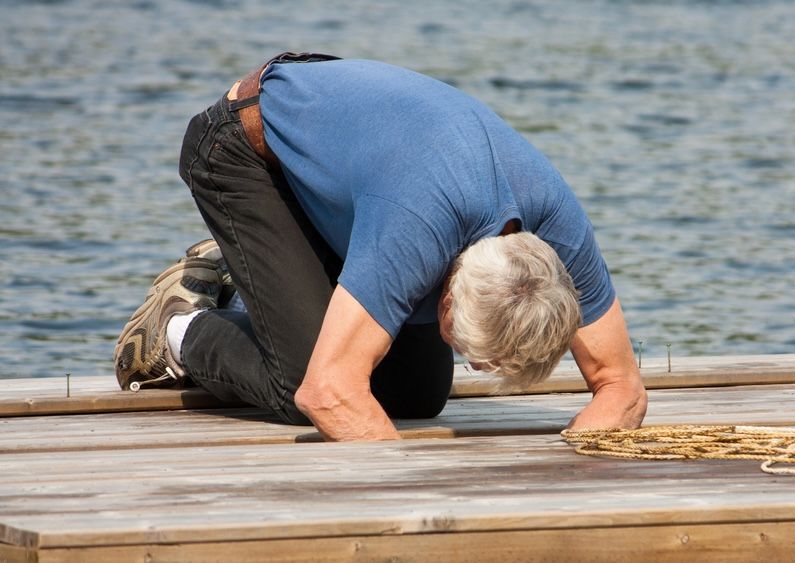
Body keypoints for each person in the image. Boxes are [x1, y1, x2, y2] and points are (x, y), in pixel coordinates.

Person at [114, 53, 647, 441]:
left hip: (368, 179)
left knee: (417, 395)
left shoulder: (558, 235)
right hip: (246, 152)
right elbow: (329, 392)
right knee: (303, 380)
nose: (474, 367)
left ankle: (258, 281)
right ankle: (178, 327)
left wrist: (570, 464)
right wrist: (421, 502)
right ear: (446, 291)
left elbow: (621, 386)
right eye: (469, 349)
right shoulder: (418, 226)